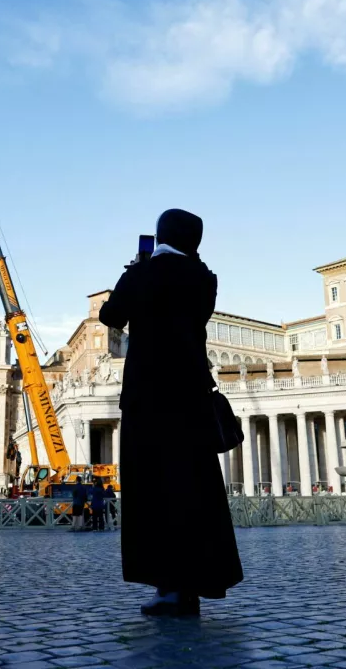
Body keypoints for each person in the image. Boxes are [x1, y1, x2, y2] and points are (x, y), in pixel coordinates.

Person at [99, 208, 243, 617]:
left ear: (160, 235)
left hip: (149, 397)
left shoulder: (143, 275)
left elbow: (111, 316)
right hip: (192, 396)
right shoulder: (204, 279)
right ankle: (195, 585)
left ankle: (169, 587)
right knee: (194, 488)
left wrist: (135, 269)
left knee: (154, 491)